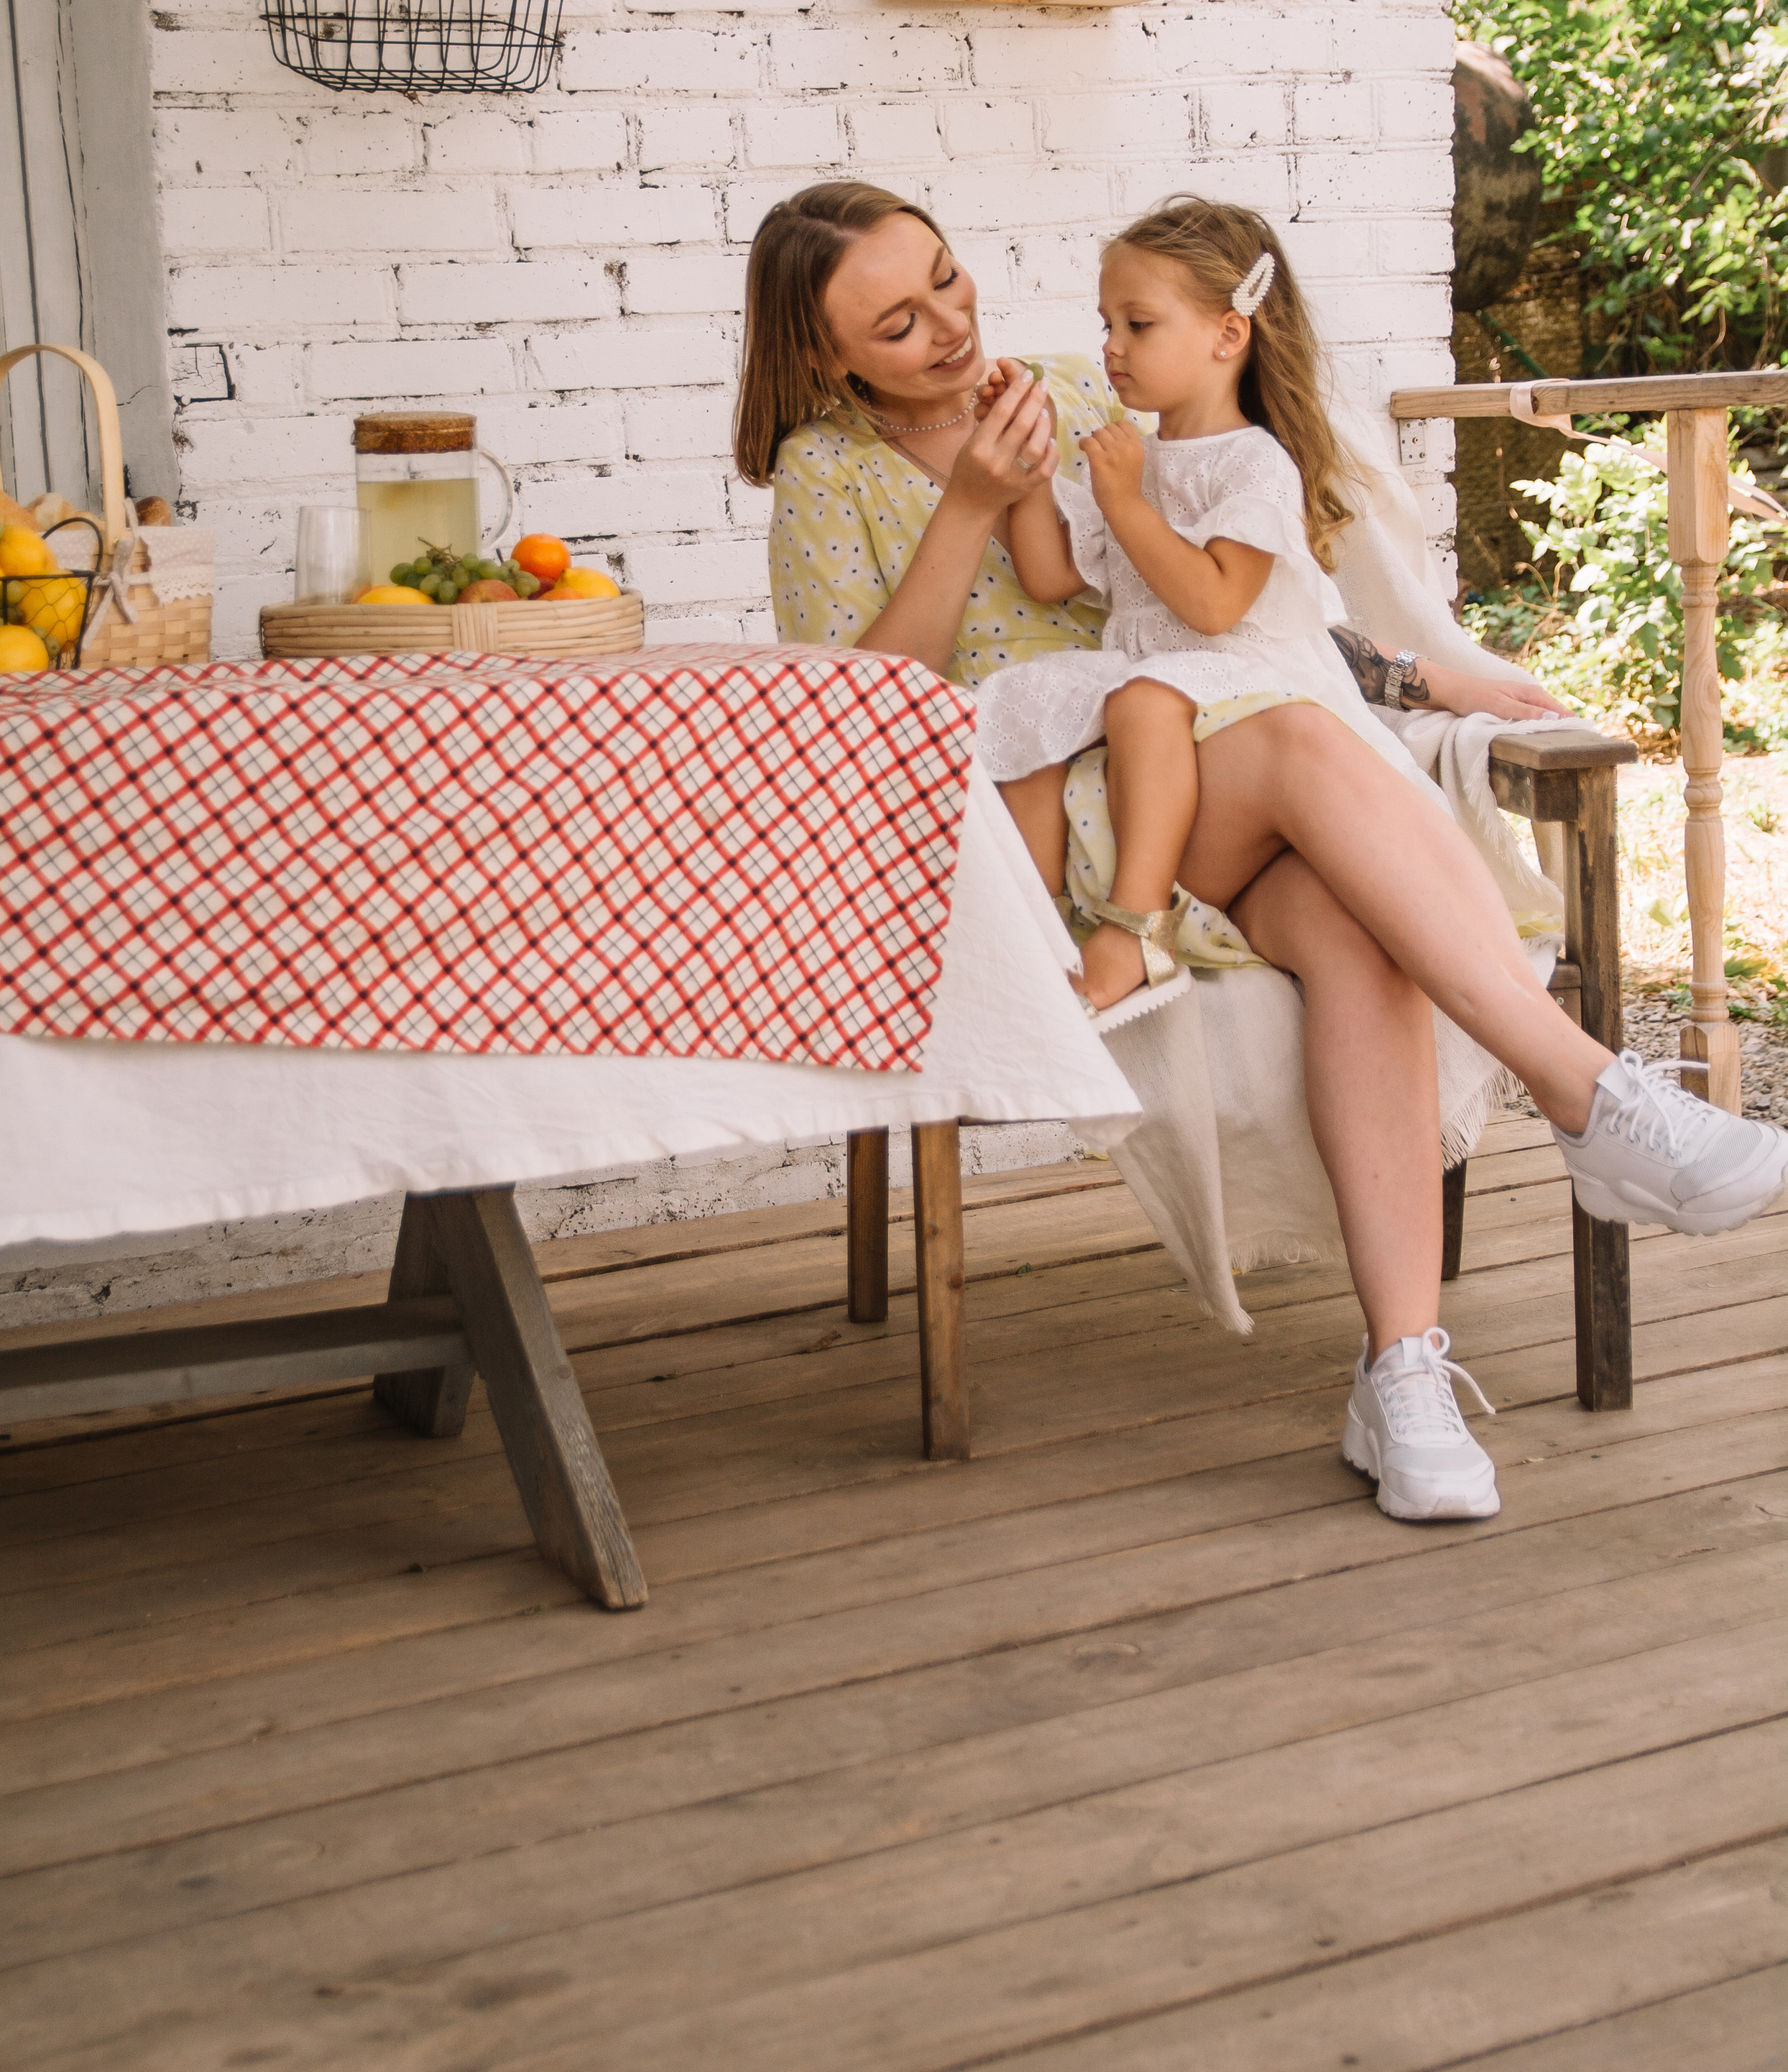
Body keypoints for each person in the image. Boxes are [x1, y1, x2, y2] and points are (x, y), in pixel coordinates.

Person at [739, 179, 1788, 1525]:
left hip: (1208, 770)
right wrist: (974, 506)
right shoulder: (827, 475)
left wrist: (1417, 678)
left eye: (946, 277)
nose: (949, 325)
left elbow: (1246, 593)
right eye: (897, 323)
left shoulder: (1083, 388)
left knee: (1360, 931)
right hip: (1039, 813)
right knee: (1294, 735)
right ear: (826, 356)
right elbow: (854, 710)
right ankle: (1588, 1095)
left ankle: (1402, 1374)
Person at [979, 197, 1445, 1020]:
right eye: (1107, 324)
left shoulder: (1254, 462)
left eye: (1138, 324)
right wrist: (1028, 466)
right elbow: (1049, 576)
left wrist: (1126, 502)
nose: (1111, 347)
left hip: (1245, 684)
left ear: (1228, 335)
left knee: (1144, 701)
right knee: (1022, 700)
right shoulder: (1139, 456)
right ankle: (1037, 937)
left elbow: (1213, 605)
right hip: (1157, 671)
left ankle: (1137, 927)